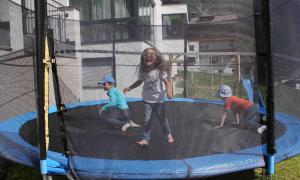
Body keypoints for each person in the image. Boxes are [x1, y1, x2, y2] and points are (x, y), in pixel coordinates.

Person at [123, 47, 174, 146]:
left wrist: (169, 92)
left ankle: (168, 134)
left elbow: (167, 82)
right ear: (143, 58)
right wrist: (130, 87)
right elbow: (139, 82)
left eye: (151, 55)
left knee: (163, 120)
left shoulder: (159, 71)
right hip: (147, 101)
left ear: (156, 58)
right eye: (146, 55)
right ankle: (145, 139)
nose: (148, 56)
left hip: (159, 101)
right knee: (147, 120)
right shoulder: (143, 71)